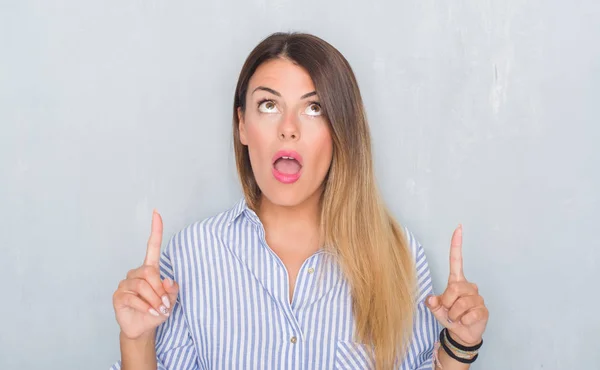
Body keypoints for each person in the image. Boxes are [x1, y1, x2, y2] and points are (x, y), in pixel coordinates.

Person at [110, 32, 489, 370]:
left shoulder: (396, 252)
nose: (288, 127)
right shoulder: (192, 254)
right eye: (269, 106)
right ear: (242, 125)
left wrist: (459, 346)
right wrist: (136, 339)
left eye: (314, 108)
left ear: (340, 130)